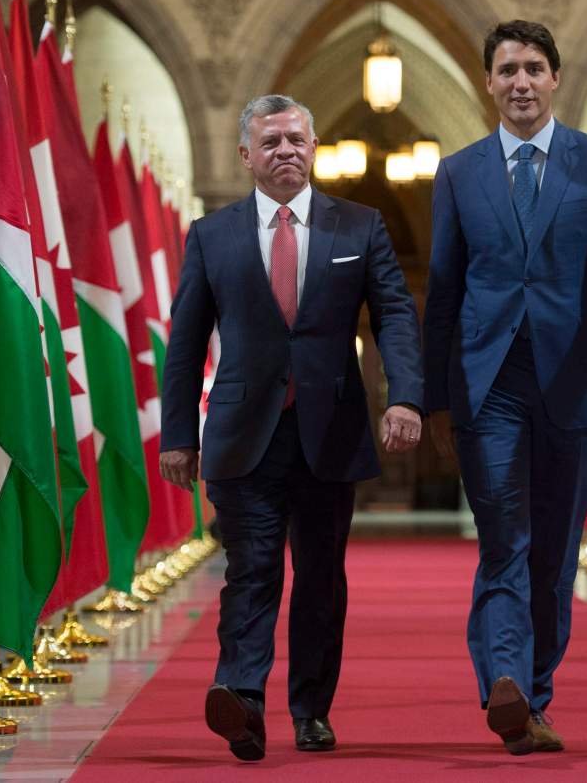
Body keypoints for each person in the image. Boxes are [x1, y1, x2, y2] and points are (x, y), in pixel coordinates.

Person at [160, 95, 424, 761]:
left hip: (329, 430)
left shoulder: (358, 227)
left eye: (297, 140)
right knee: (250, 569)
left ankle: (311, 709)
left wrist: (407, 397)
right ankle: (242, 699)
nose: (286, 151)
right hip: (242, 431)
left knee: (319, 577)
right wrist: (176, 435)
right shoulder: (211, 235)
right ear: (246, 155)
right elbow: (186, 343)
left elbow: (394, 315)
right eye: (271, 142)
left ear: (314, 147)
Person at [423, 20, 587, 755]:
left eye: (533, 68)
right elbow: (443, 290)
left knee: (553, 554)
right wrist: (428, 397)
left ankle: (533, 697)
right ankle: (504, 680)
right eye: (506, 70)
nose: (520, 81)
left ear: (555, 78)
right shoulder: (459, 173)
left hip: (574, 382)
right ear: (487, 83)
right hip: (488, 385)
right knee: (504, 540)